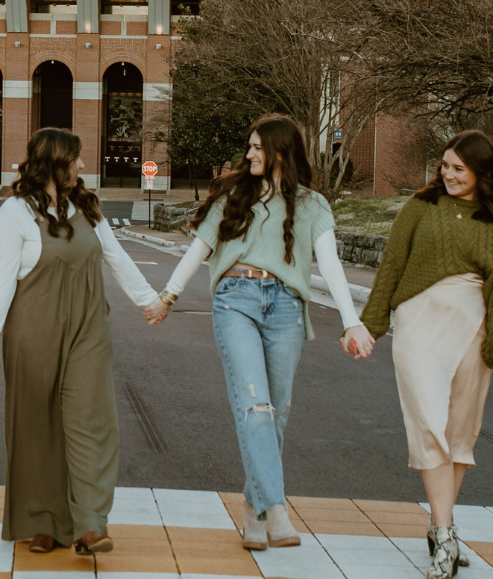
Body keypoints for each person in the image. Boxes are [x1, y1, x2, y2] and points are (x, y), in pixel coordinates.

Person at [144, 114, 371, 551]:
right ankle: (277, 509)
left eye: (257, 147)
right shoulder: (231, 195)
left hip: (286, 306)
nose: (249, 154)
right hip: (235, 300)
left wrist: (351, 319)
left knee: (276, 411)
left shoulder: (312, 205)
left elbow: (331, 266)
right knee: (255, 406)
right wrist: (167, 297)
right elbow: (200, 249)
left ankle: (253, 508)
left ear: (281, 152)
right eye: (248, 146)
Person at [0, 128, 158, 555]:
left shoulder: (87, 207)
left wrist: (149, 300)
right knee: (37, 426)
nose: (82, 166)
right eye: (76, 159)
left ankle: (89, 522)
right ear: (55, 161)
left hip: (88, 328)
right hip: (32, 330)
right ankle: (43, 521)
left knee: (92, 422)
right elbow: (1, 284)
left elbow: (116, 257)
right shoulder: (14, 212)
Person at [362, 130, 493, 579]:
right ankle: (447, 538)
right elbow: (391, 264)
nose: (448, 174)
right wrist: (371, 324)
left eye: (459, 168)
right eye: (444, 166)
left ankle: (439, 524)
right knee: (428, 423)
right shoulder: (419, 207)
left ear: (481, 173)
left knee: (459, 433)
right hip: (418, 324)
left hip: (473, 327)